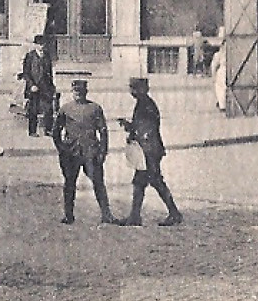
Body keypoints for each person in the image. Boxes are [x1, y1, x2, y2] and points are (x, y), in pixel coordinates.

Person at [51, 79, 117, 225]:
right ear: (72, 92)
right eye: (75, 92)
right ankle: (68, 215)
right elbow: (56, 131)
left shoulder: (95, 108)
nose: (78, 95)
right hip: (71, 153)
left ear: (86, 92)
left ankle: (106, 214)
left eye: (81, 93)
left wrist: (102, 152)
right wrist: (61, 148)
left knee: (98, 183)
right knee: (69, 184)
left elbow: (103, 131)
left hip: (90, 152)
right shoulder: (65, 109)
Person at [117, 77, 182, 226]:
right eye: (131, 88)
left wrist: (135, 134)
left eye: (135, 88)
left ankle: (174, 213)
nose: (132, 91)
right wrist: (129, 126)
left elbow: (149, 128)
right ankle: (135, 216)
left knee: (154, 181)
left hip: (149, 151)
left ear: (143, 89)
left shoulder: (147, 105)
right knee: (140, 182)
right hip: (146, 150)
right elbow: (140, 126)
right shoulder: (142, 104)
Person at [18, 36, 55, 136]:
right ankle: (32, 131)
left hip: (46, 87)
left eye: (43, 44)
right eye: (39, 44)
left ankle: (48, 130)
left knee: (48, 109)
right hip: (34, 87)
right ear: (35, 45)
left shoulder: (47, 56)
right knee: (33, 109)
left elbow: (49, 72)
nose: (41, 46)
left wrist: (52, 86)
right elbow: (26, 73)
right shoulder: (30, 56)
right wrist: (31, 85)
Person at [211, 32, 227, 112]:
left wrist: (213, 75)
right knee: (222, 87)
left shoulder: (219, 54)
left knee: (221, 87)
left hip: (223, 70)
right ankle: (222, 104)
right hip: (226, 70)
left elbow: (214, 66)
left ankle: (222, 105)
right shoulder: (222, 53)